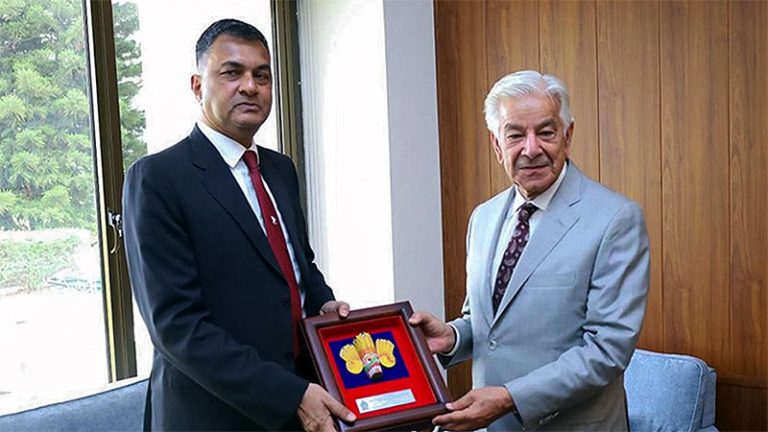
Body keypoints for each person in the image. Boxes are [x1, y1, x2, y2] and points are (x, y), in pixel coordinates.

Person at [123, 19, 355, 431]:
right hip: (212, 415)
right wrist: (288, 394)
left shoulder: (281, 170)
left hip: (300, 404)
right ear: (198, 86)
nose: (250, 86)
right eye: (232, 72)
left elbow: (299, 266)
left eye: (261, 75)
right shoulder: (157, 178)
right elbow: (176, 327)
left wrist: (323, 304)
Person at [410, 70, 649, 431]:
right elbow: (490, 323)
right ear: (497, 145)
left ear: (567, 137)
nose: (531, 148)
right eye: (516, 135)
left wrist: (508, 397)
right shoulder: (483, 218)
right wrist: (453, 337)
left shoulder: (615, 219)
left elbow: (607, 351)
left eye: (546, 132)